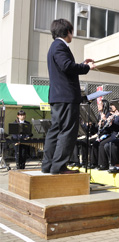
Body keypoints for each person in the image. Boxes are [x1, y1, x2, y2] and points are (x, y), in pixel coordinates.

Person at [42, 19, 95, 174]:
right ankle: (59, 167)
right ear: (67, 32)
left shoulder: (54, 47)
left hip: (58, 96)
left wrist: (81, 64)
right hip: (66, 96)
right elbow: (66, 66)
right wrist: (86, 67)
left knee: (55, 130)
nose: (73, 35)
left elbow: (65, 67)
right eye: (72, 31)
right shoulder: (60, 46)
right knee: (68, 131)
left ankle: (48, 165)